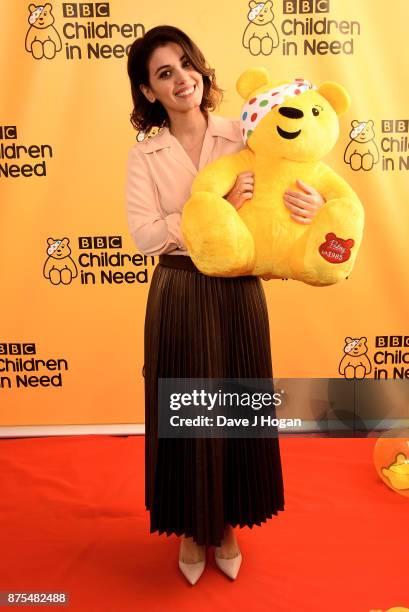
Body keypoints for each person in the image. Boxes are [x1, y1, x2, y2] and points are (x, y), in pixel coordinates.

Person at [125, 25, 325, 585]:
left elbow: (286, 190)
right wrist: (211, 207)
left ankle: (229, 522)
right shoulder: (146, 156)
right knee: (186, 411)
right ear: (149, 92)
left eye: (186, 64)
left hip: (237, 288)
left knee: (236, 406)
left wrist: (308, 203)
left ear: (201, 70)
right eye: (165, 73)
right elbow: (146, 236)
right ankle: (192, 528)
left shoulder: (243, 135)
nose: (181, 78)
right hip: (179, 289)